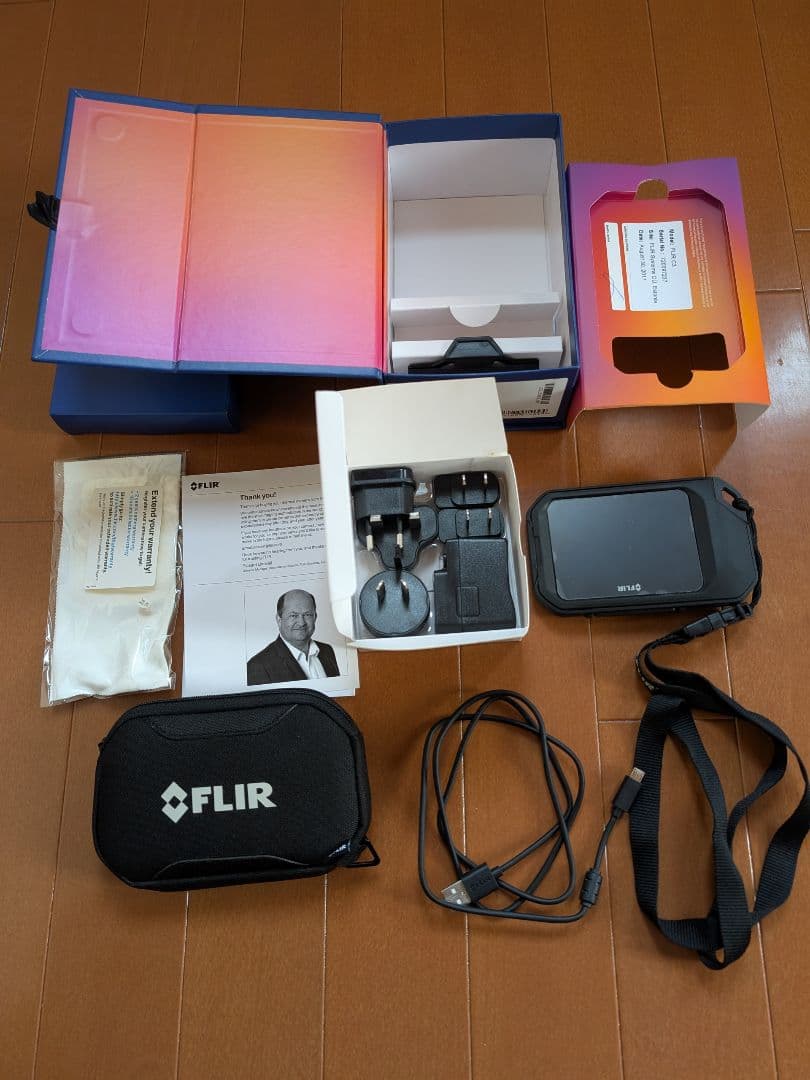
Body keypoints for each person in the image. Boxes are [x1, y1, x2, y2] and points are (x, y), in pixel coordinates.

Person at [246, 589, 339, 686]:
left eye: (307, 615)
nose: (301, 623)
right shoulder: (258, 666)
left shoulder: (327, 651)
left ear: (315, 617)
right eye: (293, 616)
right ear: (279, 619)